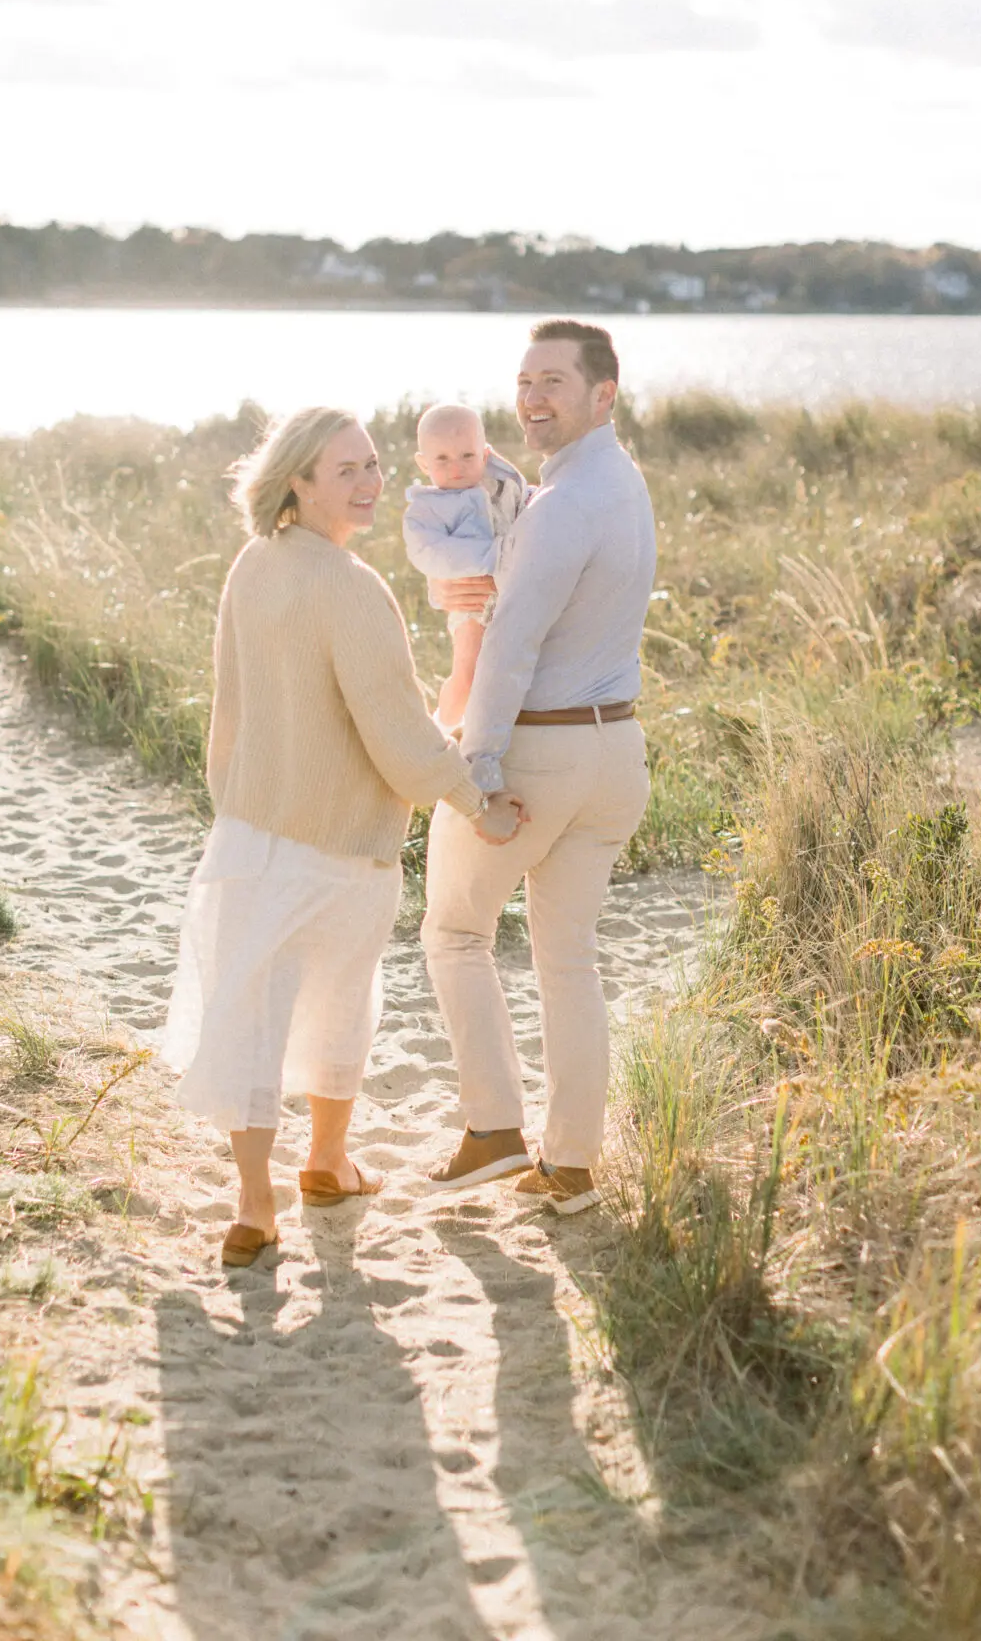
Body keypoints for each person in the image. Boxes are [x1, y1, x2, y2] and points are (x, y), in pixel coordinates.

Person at [161, 406, 526, 1269]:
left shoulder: (254, 565)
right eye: (346, 471)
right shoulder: (351, 586)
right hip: (340, 847)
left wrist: (237, 795)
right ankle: (321, 1165)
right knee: (337, 1005)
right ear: (298, 481)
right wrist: (477, 802)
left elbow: (231, 704)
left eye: (372, 466)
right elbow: (397, 733)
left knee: (250, 1012)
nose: (368, 484)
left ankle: (259, 1201)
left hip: (252, 831)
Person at [421, 322, 656, 1214]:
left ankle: (491, 1130)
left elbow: (511, 649)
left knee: (453, 932)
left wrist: (473, 771)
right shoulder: (621, 484)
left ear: (604, 393)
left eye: (553, 381)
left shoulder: (560, 503)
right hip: (613, 752)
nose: (530, 398)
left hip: (541, 750)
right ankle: (570, 1165)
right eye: (523, 381)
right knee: (568, 961)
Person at [402, 403, 528, 730]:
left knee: (509, 669)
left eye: (467, 456)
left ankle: (490, 732)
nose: (456, 467)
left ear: (485, 456)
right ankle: (443, 728)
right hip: (471, 602)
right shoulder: (428, 508)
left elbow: (528, 508)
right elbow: (430, 553)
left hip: (511, 598)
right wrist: (495, 556)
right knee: (469, 670)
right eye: (442, 459)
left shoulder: (502, 487)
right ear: (423, 462)